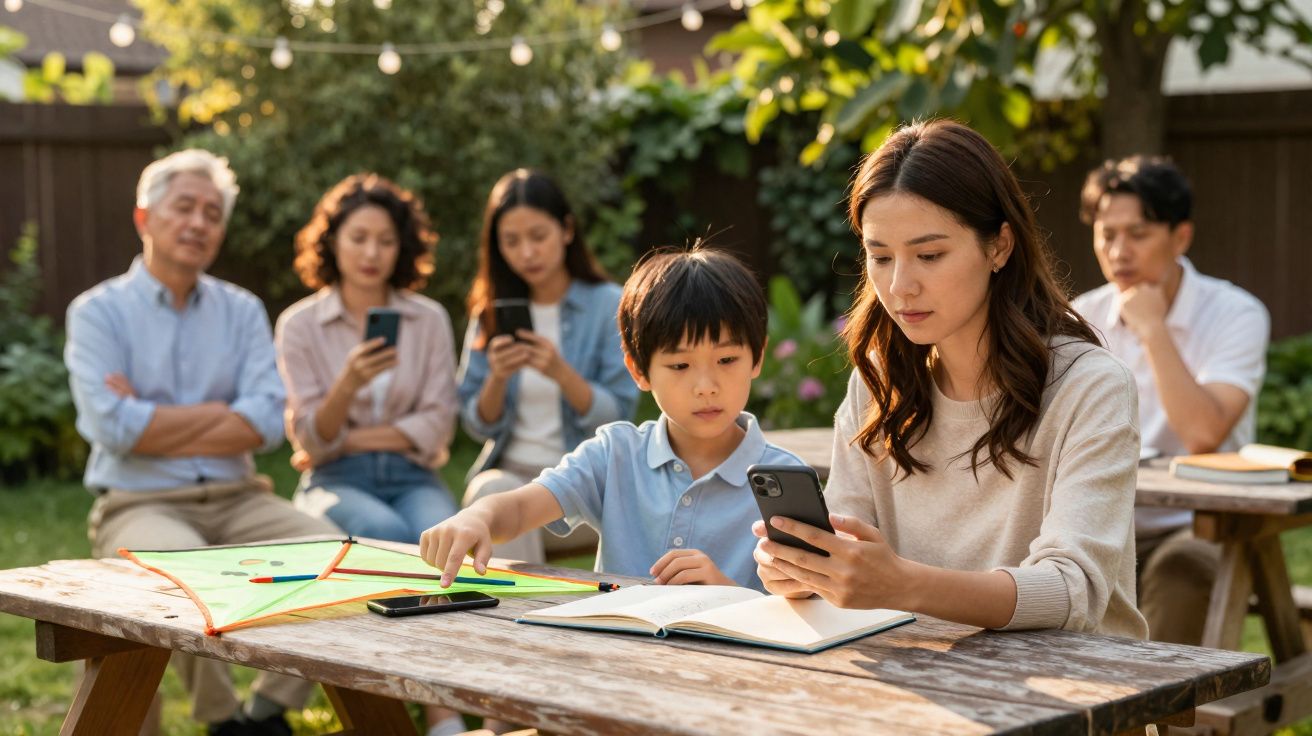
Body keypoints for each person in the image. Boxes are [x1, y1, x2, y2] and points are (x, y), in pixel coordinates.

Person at [752, 120, 1148, 639]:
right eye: (881, 256)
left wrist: (901, 584)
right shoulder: (876, 384)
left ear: (1000, 247)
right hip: (926, 686)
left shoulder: (1090, 388)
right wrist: (809, 569)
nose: (900, 286)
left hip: (1080, 698)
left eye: (930, 255)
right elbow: (849, 541)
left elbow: (1071, 591)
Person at [65, 149, 340, 736]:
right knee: (187, 571)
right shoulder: (96, 313)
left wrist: (151, 415)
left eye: (212, 213)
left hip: (242, 497)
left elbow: (265, 422)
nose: (198, 223)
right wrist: (222, 413)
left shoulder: (241, 311)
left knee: (337, 554)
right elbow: (114, 429)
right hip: (139, 503)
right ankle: (222, 721)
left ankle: (265, 712)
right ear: (144, 218)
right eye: (183, 207)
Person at [421, 247, 804, 591]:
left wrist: (724, 593)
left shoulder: (786, 481)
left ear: (757, 357)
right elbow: (522, 508)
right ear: (638, 370)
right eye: (680, 365)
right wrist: (478, 517)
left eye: (726, 360)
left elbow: (807, 613)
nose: (706, 386)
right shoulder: (615, 454)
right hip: (612, 659)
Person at [1072, 156, 1270, 644]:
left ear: (1180, 237)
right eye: (1107, 234)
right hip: (1103, 522)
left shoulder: (1235, 313)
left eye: (1137, 234)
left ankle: (1157, 715)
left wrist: (1152, 329)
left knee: (1182, 570)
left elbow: (1203, 433)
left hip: (1199, 524)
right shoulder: (1080, 318)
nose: (1119, 251)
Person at [457, 169, 638, 563]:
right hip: (510, 481)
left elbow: (621, 414)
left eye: (538, 236)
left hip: (578, 487)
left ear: (567, 230)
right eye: (511, 241)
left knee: (491, 518)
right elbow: (476, 424)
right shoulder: (489, 313)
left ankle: (507, 619)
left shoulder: (608, 304)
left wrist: (560, 372)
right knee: (490, 492)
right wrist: (497, 377)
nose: (526, 253)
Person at [275, 173, 459, 543]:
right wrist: (347, 386)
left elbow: (439, 424)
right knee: (382, 531)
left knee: (443, 536)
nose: (372, 254)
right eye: (358, 238)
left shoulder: (429, 319)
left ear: (401, 248)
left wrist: (342, 441)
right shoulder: (299, 325)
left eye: (386, 241)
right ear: (332, 242)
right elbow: (311, 436)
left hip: (415, 477)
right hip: (335, 479)